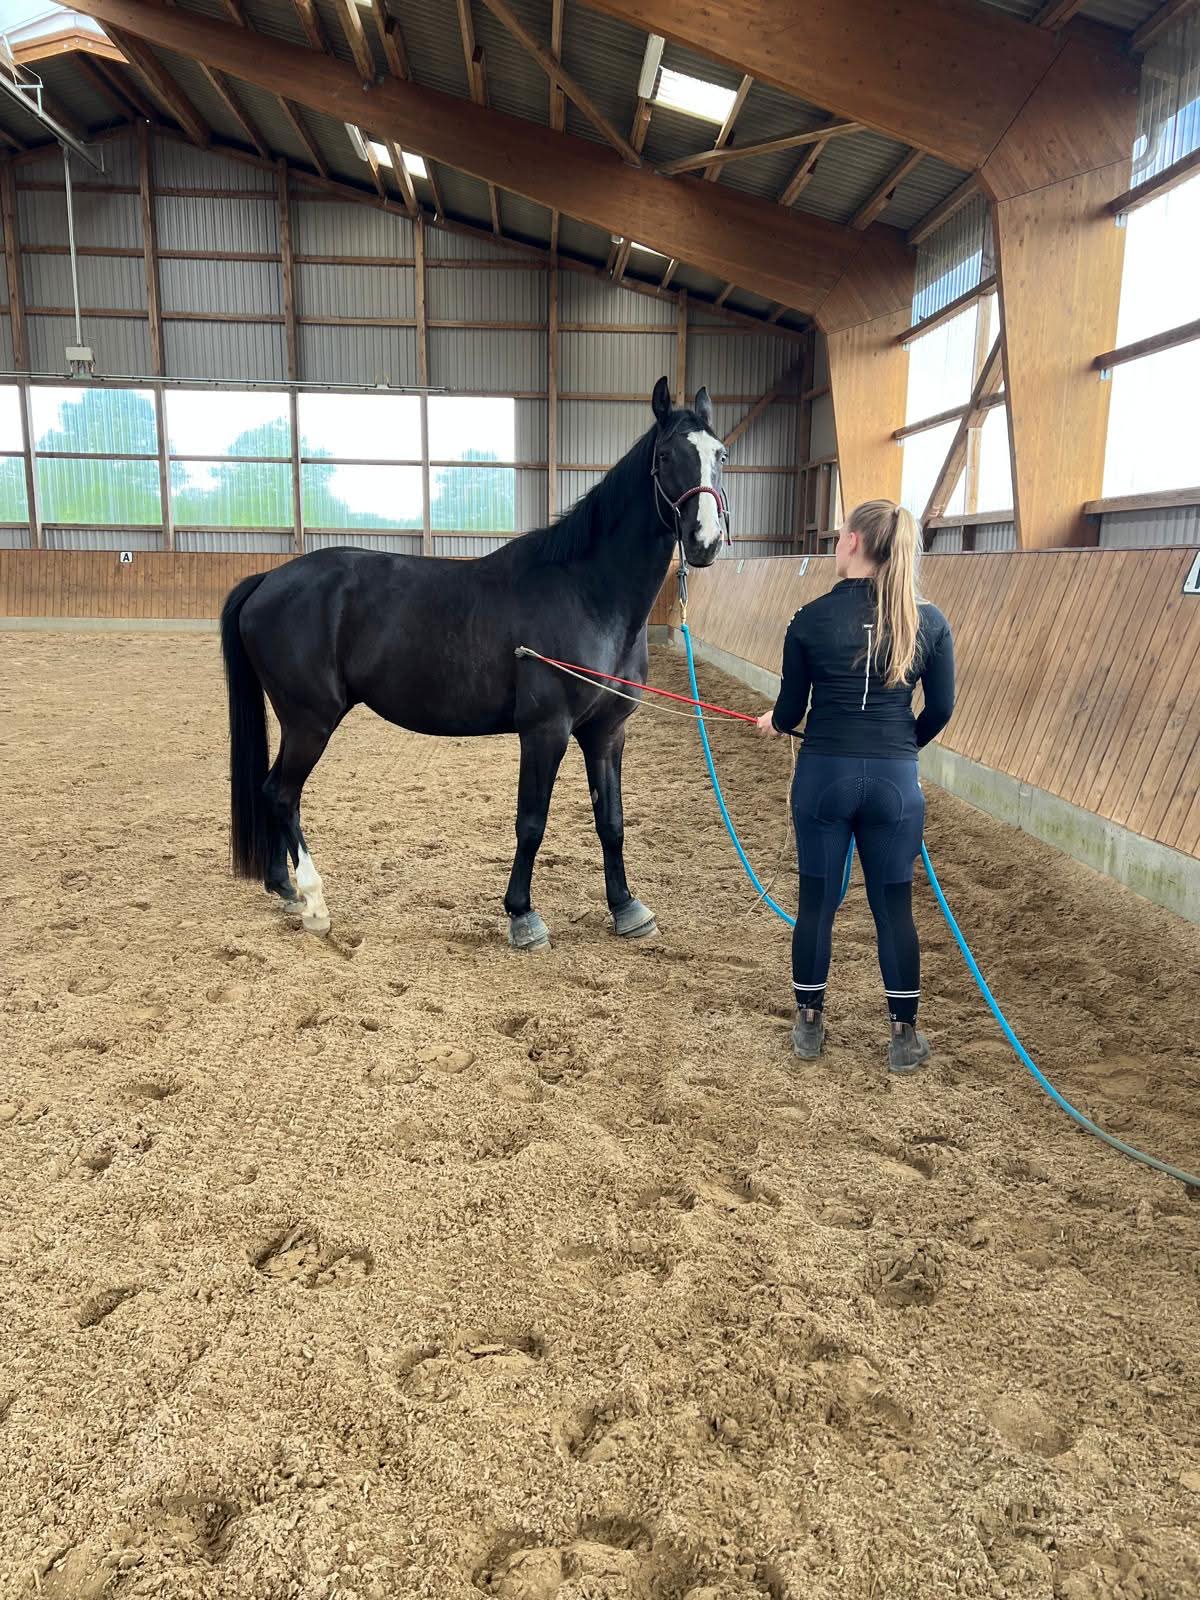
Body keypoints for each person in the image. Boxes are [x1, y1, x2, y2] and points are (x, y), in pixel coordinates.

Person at [755, 499, 955, 1073]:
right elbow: (941, 707)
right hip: (895, 782)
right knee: (893, 906)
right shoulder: (929, 622)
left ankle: (810, 1024)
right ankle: (902, 1035)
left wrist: (776, 722)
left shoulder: (810, 618)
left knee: (818, 901)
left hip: (824, 777)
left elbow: (791, 709)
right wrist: (900, 751)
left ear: (852, 544)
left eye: (841, 535)